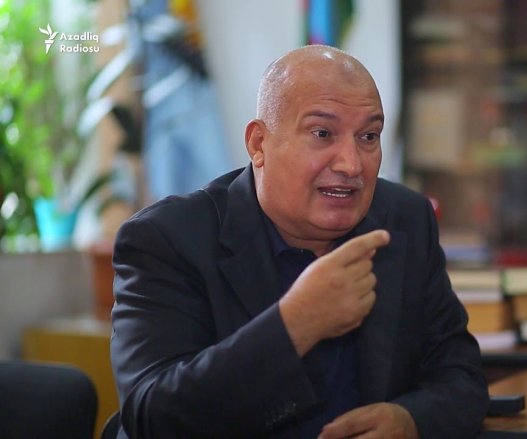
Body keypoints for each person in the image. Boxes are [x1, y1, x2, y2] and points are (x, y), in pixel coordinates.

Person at [110, 44, 489, 438]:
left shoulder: (403, 219)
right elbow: (153, 417)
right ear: (259, 144)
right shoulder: (168, 239)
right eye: (322, 133)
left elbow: (462, 377)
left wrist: (410, 420)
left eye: (368, 136)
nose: (351, 164)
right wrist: (295, 324)